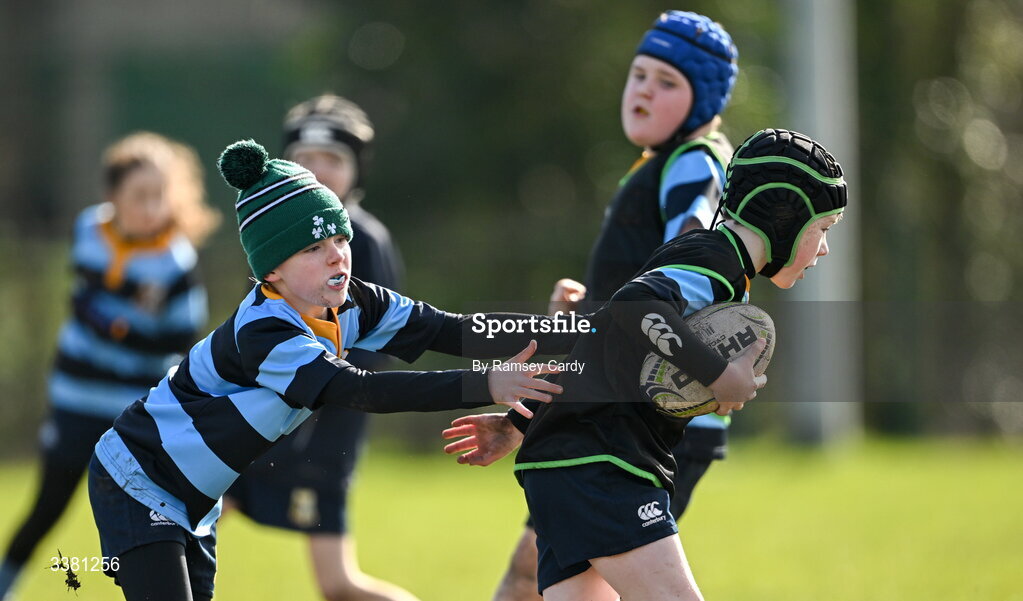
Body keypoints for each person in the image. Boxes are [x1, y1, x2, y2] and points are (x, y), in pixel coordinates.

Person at [87, 139, 579, 601]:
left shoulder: (353, 302)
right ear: (272, 271)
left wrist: (562, 333)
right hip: (139, 478)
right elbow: (359, 390)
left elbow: (449, 330)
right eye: (313, 248)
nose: (337, 254)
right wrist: (484, 384)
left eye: (339, 237)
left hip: (193, 498)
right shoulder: (265, 332)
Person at [444, 128, 849, 599]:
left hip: (566, 462)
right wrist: (719, 376)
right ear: (785, 217)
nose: (822, 249)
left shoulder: (701, 263)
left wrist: (517, 423)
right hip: (606, 463)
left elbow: (606, 346)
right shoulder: (715, 263)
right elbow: (636, 308)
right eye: (822, 230)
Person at [491, 10, 740, 600]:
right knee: (544, 574)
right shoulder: (659, 166)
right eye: (639, 74)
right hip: (617, 410)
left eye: (668, 82)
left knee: (578, 579)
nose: (645, 90)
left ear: (702, 99)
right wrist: (580, 316)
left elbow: (685, 260)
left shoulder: (693, 164)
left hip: (641, 417)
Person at [0, 132, 218, 601]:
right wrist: (124, 321)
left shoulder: (177, 263)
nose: (151, 206)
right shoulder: (89, 230)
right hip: (76, 397)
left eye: (160, 195)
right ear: (112, 196)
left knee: (149, 515)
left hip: (133, 414)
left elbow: (179, 342)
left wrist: (117, 322)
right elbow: (81, 301)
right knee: (49, 505)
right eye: (139, 195)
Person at [223, 95, 415, 601]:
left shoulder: (364, 242)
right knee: (184, 517)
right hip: (264, 426)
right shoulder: (277, 238)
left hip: (319, 439)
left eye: (333, 160)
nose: (318, 171)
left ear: (356, 171)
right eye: (306, 159)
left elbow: (377, 349)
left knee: (339, 585)